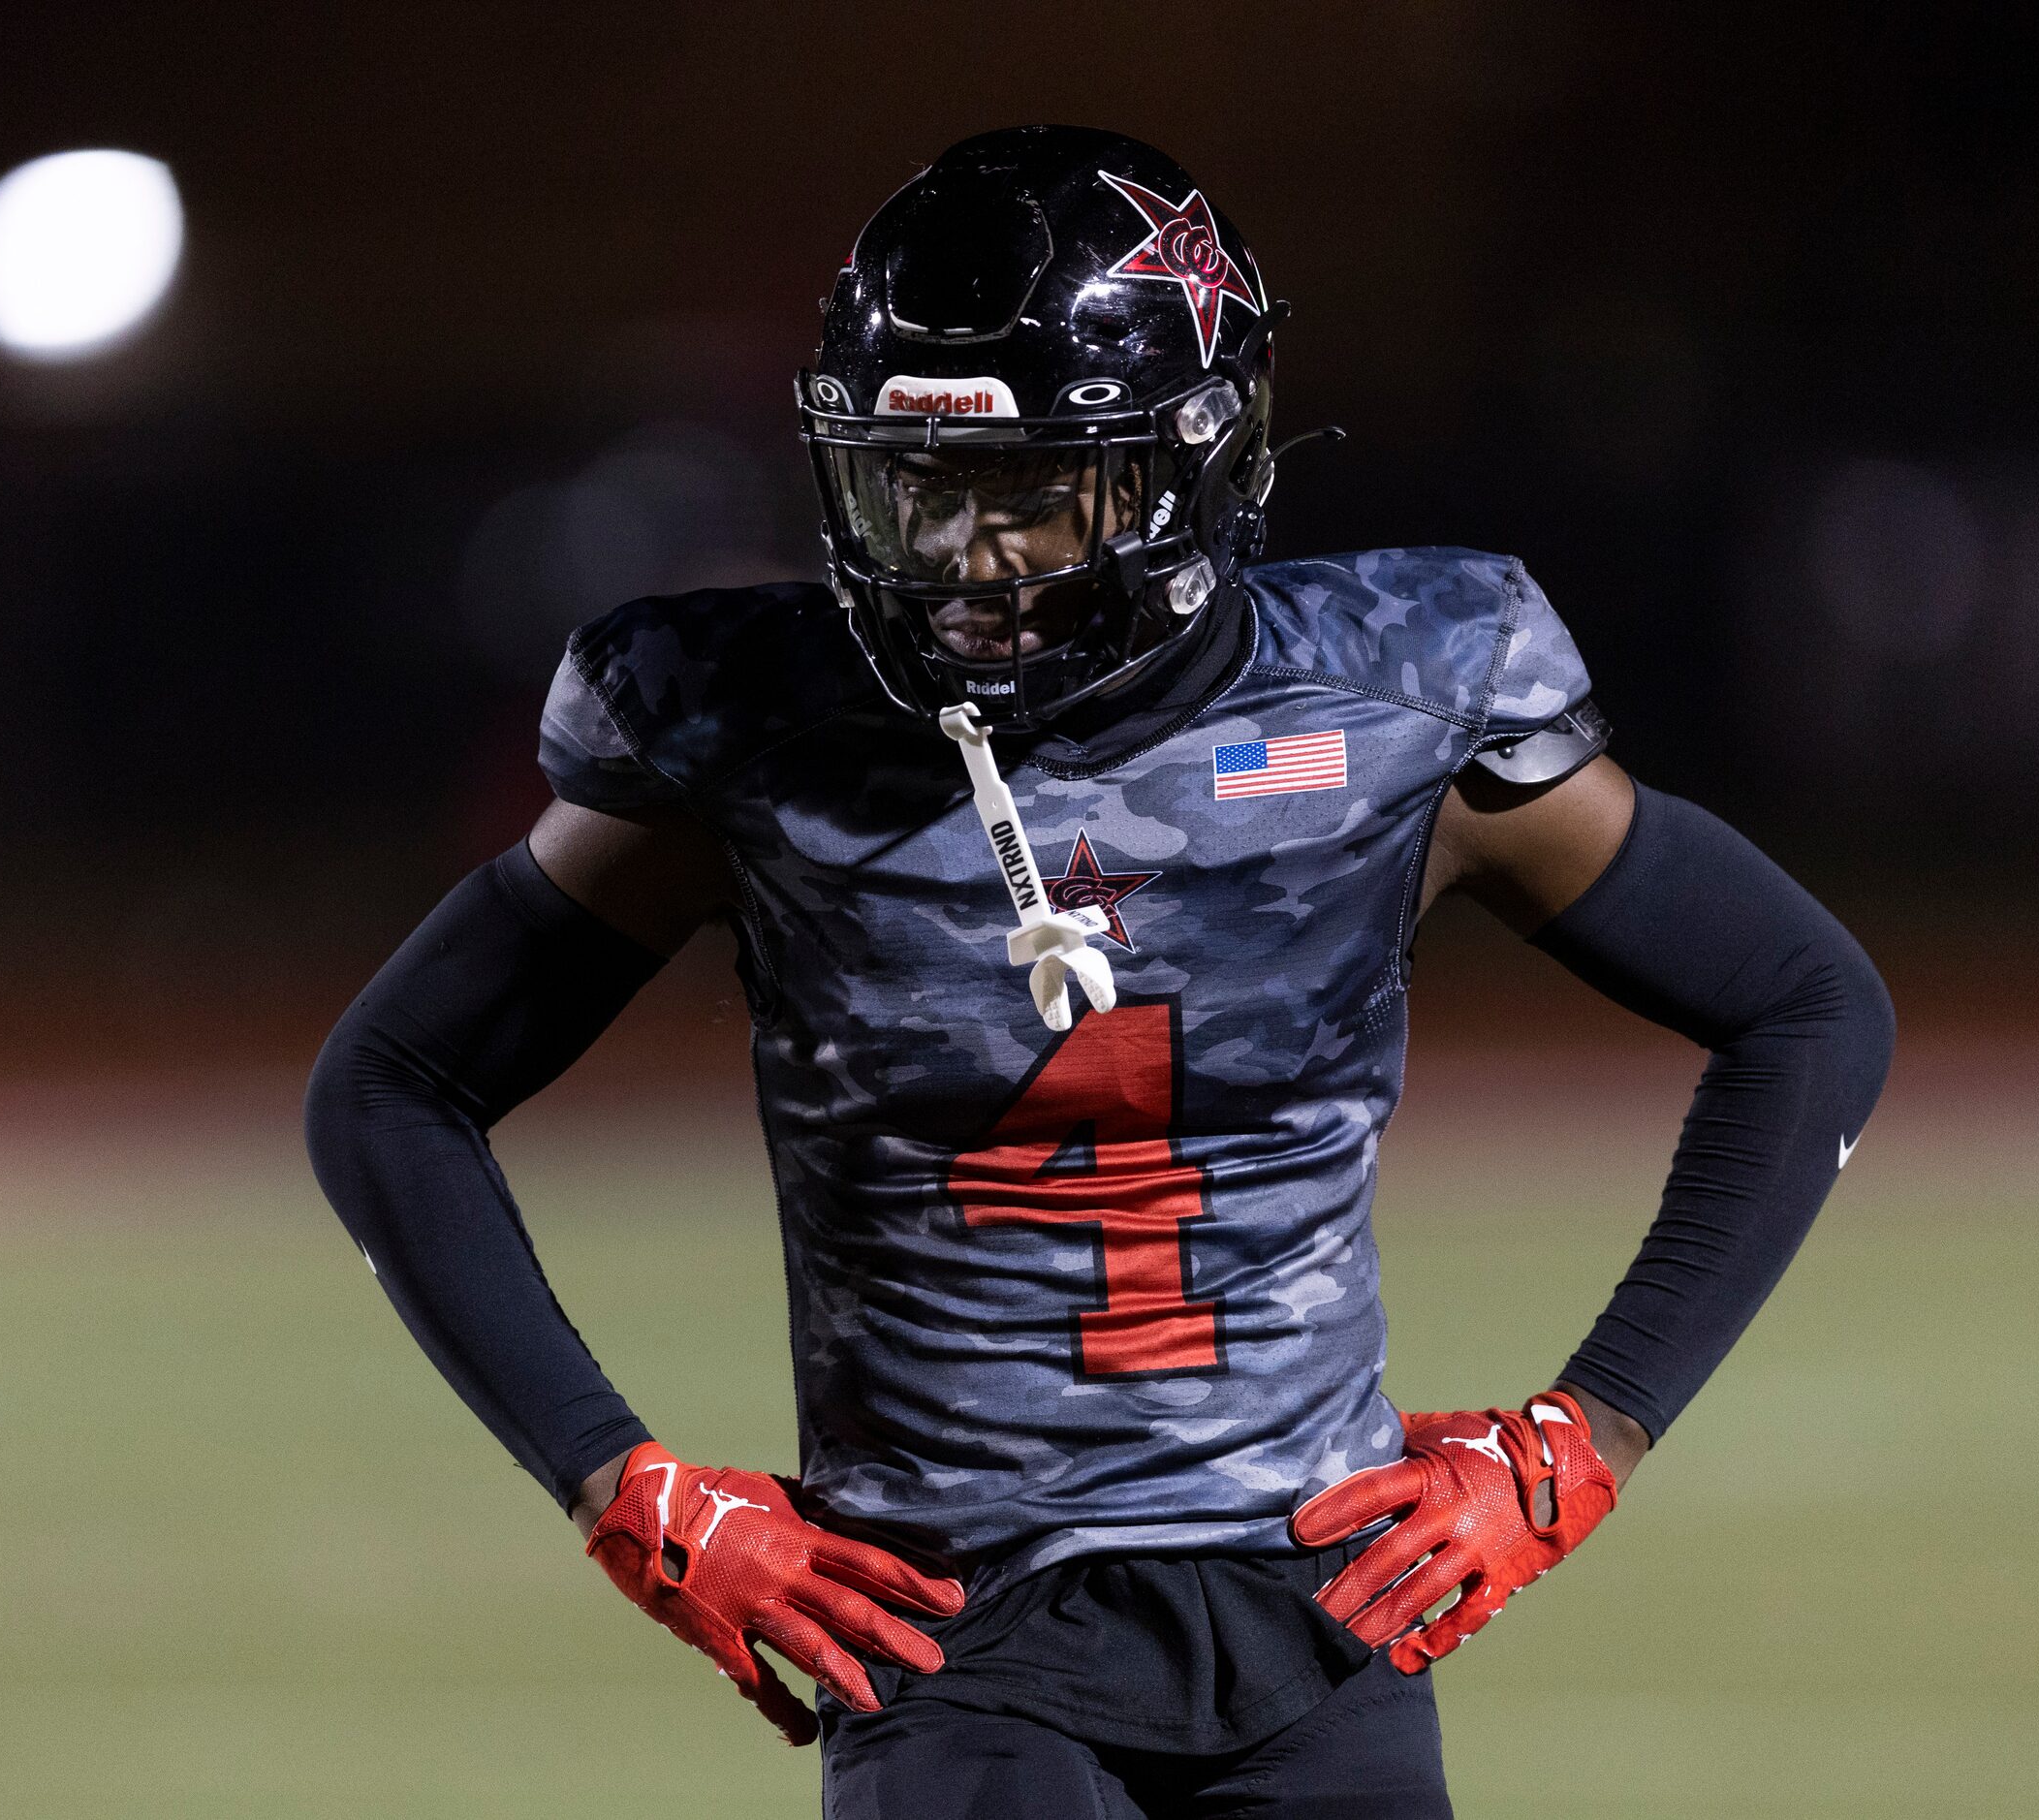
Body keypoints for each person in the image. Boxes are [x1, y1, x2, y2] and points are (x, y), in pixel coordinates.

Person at [305, 125, 1894, 1817]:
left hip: (1323, 1610)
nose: (961, 559)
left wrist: (1591, 1435)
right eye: (917, 489)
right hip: (945, 1629)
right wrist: (619, 1483)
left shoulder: (1397, 706)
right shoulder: (751, 735)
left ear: (1190, 465)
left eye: (1028, 492)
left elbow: (1807, 1006)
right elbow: (391, 1086)